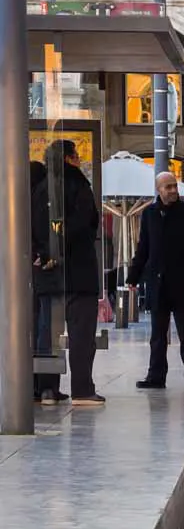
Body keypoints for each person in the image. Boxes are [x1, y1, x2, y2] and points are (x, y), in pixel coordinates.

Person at [31, 141, 105, 407]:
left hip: (48, 275)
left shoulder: (39, 189)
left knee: (47, 335)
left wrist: (45, 252)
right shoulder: (79, 185)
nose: (79, 158)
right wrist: (60, 247)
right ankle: (83, 389)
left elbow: (34, 228)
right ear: (69, 158)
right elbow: (85, 224)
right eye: (76, 155)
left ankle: (47, 390)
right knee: (81, 335)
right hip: (78, 273)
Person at [128, 172, 184, 391]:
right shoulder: (149, 214)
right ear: (159, 190)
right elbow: (143, 248)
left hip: (181, 282)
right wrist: (133, 276)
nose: (173, 190)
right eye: (168, 187)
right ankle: (156, 376)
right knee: (157, 335)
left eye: (174, 186)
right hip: (158, 284)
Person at [30, 161, 66, 405]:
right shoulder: (44, 199)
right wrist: (46, 255)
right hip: (47, 272)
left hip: (26, 274)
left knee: (32, 328)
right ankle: (47, 387)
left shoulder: (17, 200)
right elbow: (51, 235)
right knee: (48, 329)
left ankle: (31, 385)